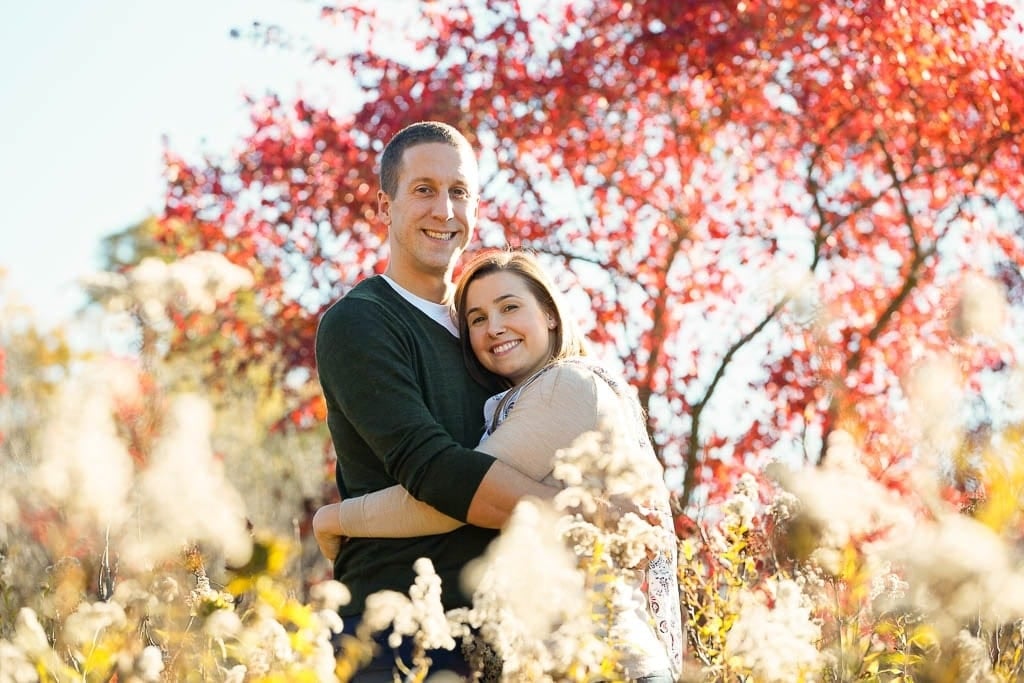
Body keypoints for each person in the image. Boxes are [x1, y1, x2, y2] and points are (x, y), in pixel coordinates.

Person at [315, 250, 684, 682]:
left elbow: (450, 498)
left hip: (608, 663)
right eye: (476, 318)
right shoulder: (526, 397)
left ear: (549, 314)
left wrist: (335, 518)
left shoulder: (563, 388)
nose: (495, 328)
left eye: (510, 307)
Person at [313, 121, 556, 681]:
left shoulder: (489, 333)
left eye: (459, 191)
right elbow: (434, 470)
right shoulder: (362, 322)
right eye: (423, 189)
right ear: (385, 205)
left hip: (499, 634)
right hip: (395, 635)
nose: (444, 210)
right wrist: (572, 516)